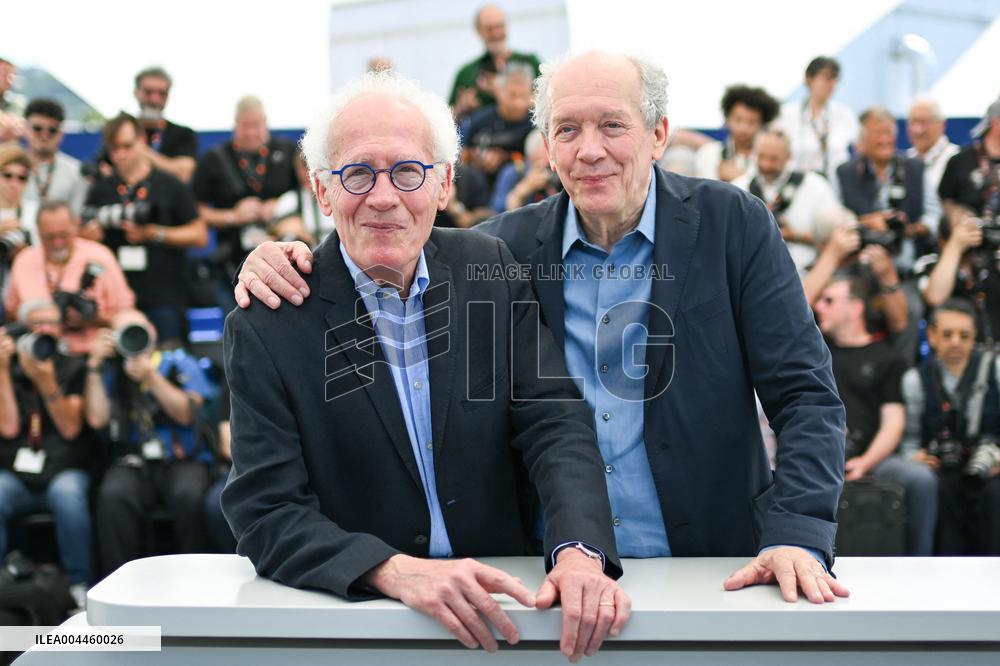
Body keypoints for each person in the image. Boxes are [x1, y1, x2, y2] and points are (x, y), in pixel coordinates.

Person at [238, 52, 850, 605]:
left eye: (612, 124)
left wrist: (797, 531)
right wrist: (277, 259)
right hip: (545, 585)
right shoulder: (501, 252)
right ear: (547, 148)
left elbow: (805, 394)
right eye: (567, 129)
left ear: (659, 134)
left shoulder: (732, 226)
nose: (589, 150)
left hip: (717, 567)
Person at [224, 72, 628, 662]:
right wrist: (391, 571)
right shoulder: (271, 318)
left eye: (408, 171)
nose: (383, 197)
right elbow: (265, 512)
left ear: (443, 184)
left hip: (509, 615)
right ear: (321, 190)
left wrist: (579, 550)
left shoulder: (488, 267)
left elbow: (554, 423)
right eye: (357, 173)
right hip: (361, 626)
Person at [84, 309, 216, 578]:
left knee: (189, 496)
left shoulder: (177, 362)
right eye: (125, 331)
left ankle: (198, 580)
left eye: (139, 329)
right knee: (112, 495)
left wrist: (150, 377)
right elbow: (97, 419)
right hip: (133, 460)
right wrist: (94, 366)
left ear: (152, 331)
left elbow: (187, 413)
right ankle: (118, 583)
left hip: (182, 457)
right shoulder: (112, 370)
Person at [814, 275, 937, 555]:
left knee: (921, 480)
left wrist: (864, 463)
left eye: (829, 300)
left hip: (875, 458)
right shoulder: (816, 353)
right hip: (821, 454)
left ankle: (921, 563)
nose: (819, 307)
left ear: (855, 308)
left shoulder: (887, 358)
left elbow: (894, 421)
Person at [0, 299, 92, 608]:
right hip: (16, 472)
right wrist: (1, 369)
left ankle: (79, 584)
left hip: (62, 468)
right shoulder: (8, 366)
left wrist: (45, 380)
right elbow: (9, 427)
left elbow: (70, 428)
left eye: (51, 323)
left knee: (69, 496)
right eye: (36, 324)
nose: (44, 330)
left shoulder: (74, 365)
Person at [84, 113, 207, 344]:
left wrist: (154, 233)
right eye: (114, 148)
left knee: (167, 366)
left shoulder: (170, 184)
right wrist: (91, 237)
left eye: (127, 146)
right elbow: (81, 240)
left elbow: (199, 235)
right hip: (117, 301)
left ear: (142, 141)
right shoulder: (100, 190)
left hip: (164, 296)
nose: (120, 155)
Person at [900, 299, 1000, 554]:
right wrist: (915, 456)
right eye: (947, 334)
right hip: (943, 470)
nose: (956, 342)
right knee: (941, 490)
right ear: (932, 336)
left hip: (991, 468)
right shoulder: (915, 380)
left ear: (974, 337)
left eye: (964, 335)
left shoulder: (995, 370)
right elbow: (910, 439)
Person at [192, 96, 298, 310]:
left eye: (256, 125)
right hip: (231, 263)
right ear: (235, 125)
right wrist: (232, 216)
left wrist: (279, 207)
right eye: (245, 126)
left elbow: (309, 193)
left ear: (266, 122)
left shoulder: (287, 152)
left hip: (283, 260)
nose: (251, 133)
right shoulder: (214, 158)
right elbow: (194, 211)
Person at [4, 201, 135, 355]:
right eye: (49, 237)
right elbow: (11, 312)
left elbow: (126, 313)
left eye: (64, 235)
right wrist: (38, 318)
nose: (58, 243)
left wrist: (93, 318)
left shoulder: (100, 256)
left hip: (93, 354)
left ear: (76, 226)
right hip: (40, 354)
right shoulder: (24, 260)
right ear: (38, 233)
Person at [733, 127, 839, 274]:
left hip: (805, 275)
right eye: (761, 157)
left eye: (774, 159)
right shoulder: (738, 188)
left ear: (789, 156)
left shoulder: (816, 186)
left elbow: (836, 238)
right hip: (751, 276)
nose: (766, 165)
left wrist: (796, 235)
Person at [449, 5, 541, 121]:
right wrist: (462, 107)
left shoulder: (530, 62)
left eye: (500, 26)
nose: (496, 33)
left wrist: (506, 93)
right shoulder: (466, 73)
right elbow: (447, 119)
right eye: (489, 29)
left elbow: (550, 101)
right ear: (478, 30)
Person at [779, 56, 859, 182]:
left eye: (835, 79)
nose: (831, 84)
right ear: (809, 79)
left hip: (835, 187)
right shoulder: (787, 114)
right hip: (799, 186)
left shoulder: (844, 114)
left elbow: (859, 149)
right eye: (826, 78)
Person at [694, 84, 778, 182]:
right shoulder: (709, 153)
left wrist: (739, 179)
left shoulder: (768, 162)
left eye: (752, 122)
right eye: (738, 120)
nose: (744, 128)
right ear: (728, 118)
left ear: (761, 124)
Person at [20, 99, 88, 215]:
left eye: (52, 130)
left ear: (61, 134)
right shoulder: (6, 165)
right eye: (37, 128)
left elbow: (75, 218)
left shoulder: (76, 172)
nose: (44, 135)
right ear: (25, 129)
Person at [132, 66, 198, 183]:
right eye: (148, 92)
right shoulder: (121, 131)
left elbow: (185, 172)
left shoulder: (183, 134)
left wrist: (141, 151)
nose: (155, 99)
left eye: (162, 93)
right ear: (136, 93)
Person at [906, 96, 959, 196]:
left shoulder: (957, 159)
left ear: (942, 124)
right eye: (913, 122)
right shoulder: (905, 160)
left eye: (924, 122)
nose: (918, 130)